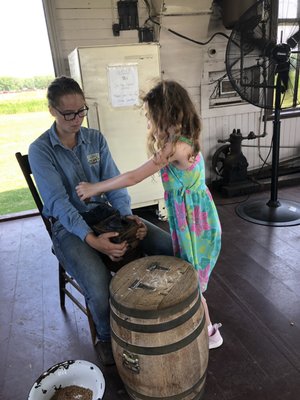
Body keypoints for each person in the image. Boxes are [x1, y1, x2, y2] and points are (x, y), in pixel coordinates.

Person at [28, 76, 174, 366]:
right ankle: (107, 339)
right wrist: (92, 240)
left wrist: (127, 218)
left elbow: (116, 183)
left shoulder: (95, 138)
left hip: (106, 214)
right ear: (52, 111)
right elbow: (58, 204)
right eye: (68, 113)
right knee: (97, 286)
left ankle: (163, 314)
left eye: (81, 111)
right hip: (67, 226)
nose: (76, 119)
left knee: (171, 247)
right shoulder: (40, 150)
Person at [76, 80, 223, 350]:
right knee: (192, 275)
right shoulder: (186, 138)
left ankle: (209, 334)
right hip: (198, 218)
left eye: (149, 116)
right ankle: (205, 327)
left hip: (195, 225)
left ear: (164, 115)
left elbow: (133, 177)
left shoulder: (174, 147)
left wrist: (94, 187)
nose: (148, 121)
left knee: (192, 280)